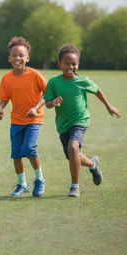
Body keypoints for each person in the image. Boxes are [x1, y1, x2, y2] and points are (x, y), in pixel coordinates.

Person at [44, 44, 121, 197]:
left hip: (80, 121)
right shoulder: (53, 82)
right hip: (63, 125)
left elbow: (97, 90)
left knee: (73, 148)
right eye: (67, 63)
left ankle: (74, 187)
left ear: (78, 64)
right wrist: (53, 103)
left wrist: (108, 106)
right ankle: (93, 164)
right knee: (74, 155)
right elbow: (47, 103)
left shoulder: (83, 81)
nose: (70, 66)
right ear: (59, 64)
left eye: (74, 63)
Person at [0, 37, 47, 197]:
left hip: (34, 119)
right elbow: (5, 97)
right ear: (9, 58)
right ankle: (22, 184)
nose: (18, 58)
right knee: (17, 154)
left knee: (29, 148)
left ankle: (39, 180)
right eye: (14, 55)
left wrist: (35, 107)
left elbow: (48, 93)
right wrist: (0, 108)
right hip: (16, 121)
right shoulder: (6, 78)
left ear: (27, 58)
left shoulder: (35, 75)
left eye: (21, 55)